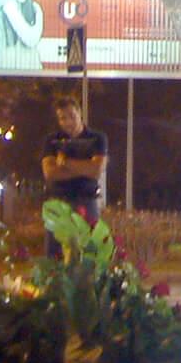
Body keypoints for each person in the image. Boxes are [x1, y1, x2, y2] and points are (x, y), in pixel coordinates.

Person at [40, 97, 108, 260]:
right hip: (58, 202)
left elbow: (96, 170)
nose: (68, 122)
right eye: (63, 118)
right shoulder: (52, 141)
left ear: (80, 113)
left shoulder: (97, 139)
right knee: (54, 256)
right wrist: (84, 167)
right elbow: (50, 173)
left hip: (86, 201)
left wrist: (65, 163)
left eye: (71, 116)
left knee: (88, 254)